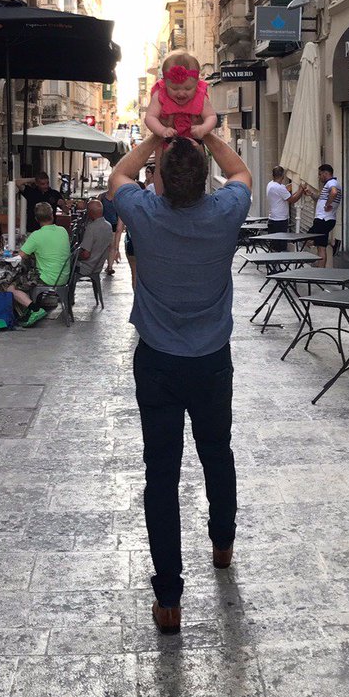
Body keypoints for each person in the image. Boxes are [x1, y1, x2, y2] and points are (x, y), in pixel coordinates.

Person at [109, 131, 252, 636]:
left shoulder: (145, 214)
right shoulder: (225, 213)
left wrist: (155, 137)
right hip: (211, 359)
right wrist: (207, 134)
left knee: (162, 474)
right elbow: (240, 173)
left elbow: (119, 175)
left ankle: (168, 598)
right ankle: (222, 542)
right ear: (204, 179)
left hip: (158, 362)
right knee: (217, 452)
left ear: (162, 181)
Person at [144, 50, 218, 142]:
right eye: (175, 89)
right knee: (161, 150)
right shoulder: (160, 95)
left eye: (188, 89)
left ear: (197, 84)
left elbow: (211, 116)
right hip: (167, 141)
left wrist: (203, 128)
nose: (181, 93)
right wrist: (162, 130)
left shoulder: (200, 95)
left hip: (193, 142)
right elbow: (150, 117)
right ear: (165, 84)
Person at [19, 202, 72, 293]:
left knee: (13, 285)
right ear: (52, 216)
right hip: (64, 277)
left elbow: (21, 255)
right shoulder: (63, 231)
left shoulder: (36, 235)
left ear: (36, 219)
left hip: (46, 279)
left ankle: (28, 302)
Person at [305, 163, 340, 267]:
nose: (319, 177)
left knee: (316, 244)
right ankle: (331, 243)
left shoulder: (332, 183)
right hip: (323, 219)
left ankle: (320, 268)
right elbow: (320, 198)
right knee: (315, 242)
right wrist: (311, 194)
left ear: (325, 173)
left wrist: (327, 205)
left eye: (320, 174)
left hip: (323, 219)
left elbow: (334, 192)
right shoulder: (328, 184)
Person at [265, 166, 306, 252]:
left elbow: (285, 189)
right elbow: (293, 200)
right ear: (283, 176)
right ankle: (278, 259)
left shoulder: (271, 184)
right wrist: (301, 189)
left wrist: (294, 183)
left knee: (274, 244)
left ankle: (273, 259)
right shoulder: (279, 188)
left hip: (273, 218)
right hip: (280, 220)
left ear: (273, 175)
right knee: (280, 245)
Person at [77, 199, 113, 277]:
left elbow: (86, 255)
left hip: (85, 267)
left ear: (90, 212)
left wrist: (76, 257)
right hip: (98, 267)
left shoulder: (91, 228)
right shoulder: (108, 226)